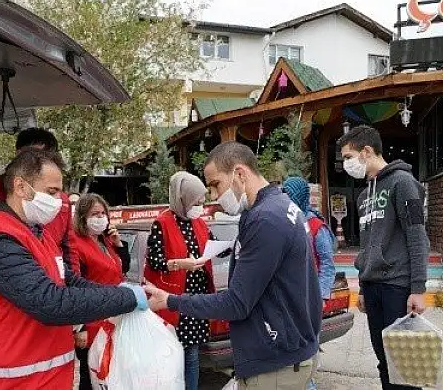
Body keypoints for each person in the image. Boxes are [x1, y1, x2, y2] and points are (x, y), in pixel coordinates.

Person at [0, 149, 147, 390]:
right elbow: (51, 302)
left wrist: (122, 290)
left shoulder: (37, 233)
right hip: (12, 382)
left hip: (45, 378)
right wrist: (126, 298)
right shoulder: (0, 241)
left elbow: (67, 280)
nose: (59, 199)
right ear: (21, 187)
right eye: (51, 192)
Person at [146, 143, 322, 390]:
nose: (215, 196)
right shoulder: (279, 207)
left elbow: (236, 303)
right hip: (285, 351)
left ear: (240, 174)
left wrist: (171, 301)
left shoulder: (266, 219)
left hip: (274, 362)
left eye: (216, 184)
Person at [338, 125, 428, 390]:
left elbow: (416, 235)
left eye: (347, 157)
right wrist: (363, 287)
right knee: (383, 360)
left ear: (366, 151)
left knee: (403, 362)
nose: (345, 164)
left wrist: (419, 289)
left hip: (397, 287)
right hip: (373, 287)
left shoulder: (403, 183)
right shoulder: (365, 195)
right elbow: (366, 246)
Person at [0, 128, 74, 277]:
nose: (37, 161)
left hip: (52, 277)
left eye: (45, 157)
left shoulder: (59, 201)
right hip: (14, 282)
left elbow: (69, 247)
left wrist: (73, 285)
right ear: (18, 156)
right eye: (31, 156)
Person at [144, 171, 216, 390]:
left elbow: (212, 247)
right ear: (182, 198)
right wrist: (180, 264)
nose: (200, 206)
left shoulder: (199, 223)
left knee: (192, 355)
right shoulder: (162, 223)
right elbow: (154, 261)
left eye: (203, 201)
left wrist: (230, 245)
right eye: (197, 201)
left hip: (196, 300)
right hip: (173, 300)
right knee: (171, 357)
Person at [69, 193, 131, 390]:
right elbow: (73, 287)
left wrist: (119, 244)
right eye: (95, 214)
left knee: (111, 376)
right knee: (91, 378)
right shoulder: (75, 244)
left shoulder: (106, 240)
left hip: (114, 319)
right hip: (92, 323)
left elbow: (122, 268)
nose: (100, 217)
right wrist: (80, 328)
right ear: (82, 217)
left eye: (103, 213)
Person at [282, 176, 336, 390]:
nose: (286, 198)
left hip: (309, 301)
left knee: (305, 358)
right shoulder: (285, 221)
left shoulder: (316, 226)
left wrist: (321, 296)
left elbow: (328, 265)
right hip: (288, 299)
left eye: (290, 194)